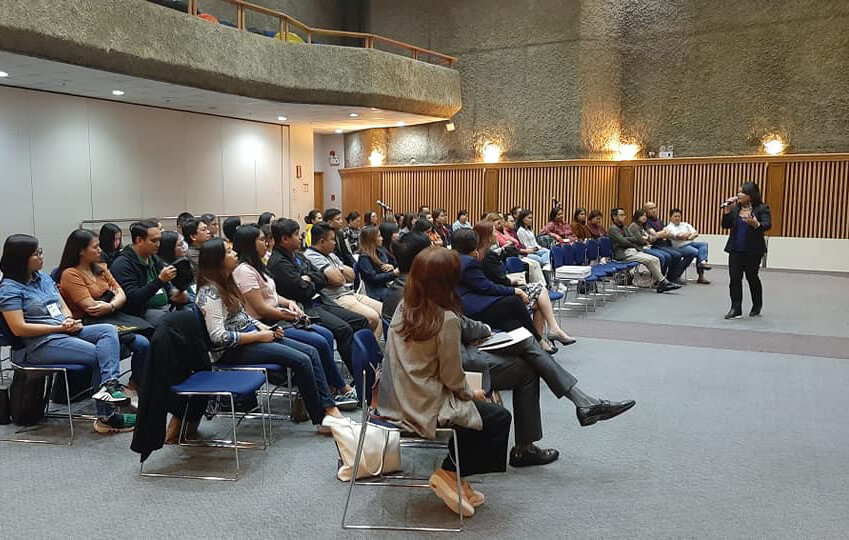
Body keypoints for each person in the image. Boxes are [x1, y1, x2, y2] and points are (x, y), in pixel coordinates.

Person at [383, 233, 635, 468]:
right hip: (440, 374)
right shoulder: (420, 301)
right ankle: (535, 439)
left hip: (434, 367)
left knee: (525, 350)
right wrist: (472, 392)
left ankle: (578, 406)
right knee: (526, 360)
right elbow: (451, 365)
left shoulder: (412, 295)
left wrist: (479, 332)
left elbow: (461, 325)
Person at [377, 246, 512, 517]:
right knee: (497, 416)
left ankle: (457, 478)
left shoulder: (406, 305)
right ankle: (449, 472)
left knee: (482, 411)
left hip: (397, 395)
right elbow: (452, 377)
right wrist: (471, 393)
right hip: (423, 402)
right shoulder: (446, 318)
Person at [195, 238, 343, 431]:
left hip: (251, 336)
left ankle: (329, 408)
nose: (235, 254)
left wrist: (264, 328)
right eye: (229, 252)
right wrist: (259, 336)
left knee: (311, 351)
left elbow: (243, 317)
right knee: (302, 359)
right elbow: (218, 337)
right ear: (218, 260)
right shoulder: (210, 294)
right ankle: (322, 417)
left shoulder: (227, 283)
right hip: (232, 350)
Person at [0, 234, 135, 433]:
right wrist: (59, 328)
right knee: (101, 354)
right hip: (39, 343)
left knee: (107, 331)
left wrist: (68, 320)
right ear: (22, 259)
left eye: (40, 251)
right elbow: (19, 328)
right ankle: (106, 417)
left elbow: (61, 305)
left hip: (63, 331)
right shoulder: (9, 289)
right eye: (36, 254)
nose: (41, 256)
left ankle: (110, 386)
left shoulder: (43, 278)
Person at [231, 225, 357, 406]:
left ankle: (332, 386)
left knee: (326, 334)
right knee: (319, 341)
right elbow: (262, 309)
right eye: (260, 239)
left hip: (279, 317)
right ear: (249, 244)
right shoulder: (244, 271)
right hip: (267, 324)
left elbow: (272, 296)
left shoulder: (258, 266)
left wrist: (288, 303)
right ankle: (338, 388)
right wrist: (291, 315)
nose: (266, 243)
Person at [267, 219, 369, 375]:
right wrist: (313, 278)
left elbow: (319, 276)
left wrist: (310, 277)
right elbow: (304, 290)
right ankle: (357, 376)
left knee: (361, 321)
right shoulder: (279, 262)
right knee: (343, 329)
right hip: (305, 307)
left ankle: (366, 370)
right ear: (284, 239)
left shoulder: (298, 255)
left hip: (319, 301)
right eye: (296, 235)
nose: (300, 237)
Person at [57, 229, 150, 391]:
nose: (100, 250)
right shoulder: (70, 274)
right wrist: (113, 301)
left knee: (145, 340)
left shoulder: (100, 268)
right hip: (86, 324)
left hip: (111, 318)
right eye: (95, 247)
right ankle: (105, 398)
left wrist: (110, 305)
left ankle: (134, 386)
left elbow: (122, 294)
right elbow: (91, 308)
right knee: (135, 344)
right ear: (80, 251)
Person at [475, 222, 575, 348]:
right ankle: (550, 332)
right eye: (495, 232)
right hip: (501, 293)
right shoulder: (488, 255)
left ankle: (542, 341)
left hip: (497, 291)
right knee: (540, 290)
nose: (497, 234)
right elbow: (500, 281)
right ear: (488, 236)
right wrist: (513, 280)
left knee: (539, 298)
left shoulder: (482, 252)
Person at [453, 229, 554, 353]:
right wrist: (514, 291)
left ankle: (533, 349)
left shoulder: (456, 258)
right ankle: (538, 340)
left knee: (511, 322)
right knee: (514, 301)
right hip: (470, 308)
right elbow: (486, 287)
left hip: (466, 304)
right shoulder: (468, 262)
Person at [305, 223, 383, 341]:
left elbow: (352, 275)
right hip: (336, 298)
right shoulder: (312, 256)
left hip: (349, 293)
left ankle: (373, 352)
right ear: (322, 242)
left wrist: (338, 271)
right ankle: (361, 350)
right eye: (332, 240)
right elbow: (338, 280)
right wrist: (340, 273)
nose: (335, 243)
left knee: (383, 310)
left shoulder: (331, 255)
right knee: (372, 317)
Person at [111, 220, 190, 324]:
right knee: (177, 323)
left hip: (165, 307)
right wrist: (160, 281)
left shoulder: (154, 257)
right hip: (141, 313)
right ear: (139, 240)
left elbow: (167, 289)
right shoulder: (122, 264)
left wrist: (175, 294)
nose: (158, 244)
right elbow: (133, 299)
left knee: (192, 314)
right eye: (153, 241)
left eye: (159, 240)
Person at [722, 182, 771, 319]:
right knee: (734, 279)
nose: (738, 195)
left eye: (741, 193)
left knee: (752, 278)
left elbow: (767, 225)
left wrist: (756, 224)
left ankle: (757, 305)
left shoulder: (761, 208)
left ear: (750, 195)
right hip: (735, 249)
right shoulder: (736, 208)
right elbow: (726, 224)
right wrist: (727, 211)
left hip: (753, 250)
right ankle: (735, 308)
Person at [608, 208, 680, 293]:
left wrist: (629, 240)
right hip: (623, 254)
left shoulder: (624, 227)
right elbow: (624, 242)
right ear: (614, 217)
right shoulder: (613, 229)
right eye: (621, 215)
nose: (624, 217)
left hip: (632, 251)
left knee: (655, 259)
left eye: (624, 215)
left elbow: (634, 238)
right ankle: (663, 282)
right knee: (649, 260)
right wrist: (631, 240)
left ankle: (661, 282)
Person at [484, 212, 546, 285]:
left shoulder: (506, 232)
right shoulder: (493, 238)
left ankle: (541, 285)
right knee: (535, 262)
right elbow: (504, 246)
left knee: (543, 255)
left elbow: (515, 242)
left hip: (514, 253)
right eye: (498, 223)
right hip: (512, 256)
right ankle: (539, 285)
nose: (501, 225)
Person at [643, 202, 692, 284]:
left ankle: (672, 277)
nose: (654, 210)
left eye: (655, 208)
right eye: (651, 209)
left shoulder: (659, 221)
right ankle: (661, 279)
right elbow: (655, 235)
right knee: (670, 256)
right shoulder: (646, 222)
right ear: (645, 211)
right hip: (655, 245)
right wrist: (662, 233)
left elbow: (666, 233)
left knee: (682, 254)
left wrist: (661, 233)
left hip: (665, 244)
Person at [665, 208, 711, 284]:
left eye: (679, 216)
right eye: (675, 216)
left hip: (690, 244)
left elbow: (695, 233)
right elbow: (679, 236)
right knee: (698, 252)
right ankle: (701, 274)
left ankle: (702, 263)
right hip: (678, 247)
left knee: (703, 244)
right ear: (670, 217)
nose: (677, 218)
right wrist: (688, 235)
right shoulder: (669, 227)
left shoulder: (685, 224)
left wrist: (687, 237)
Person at [356, 225, 399, 301]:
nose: (382, 239)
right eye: (379, 236)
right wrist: (393, 273)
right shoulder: (364, 258)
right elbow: (373, 279)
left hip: (385, 285)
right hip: (375, 290)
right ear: (371, 239)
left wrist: (391, 268)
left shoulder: (380, 251)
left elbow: (385, 269)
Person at [629, 209, 673, 276]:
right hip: (639, 249)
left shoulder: (644, 226)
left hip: (648, 247)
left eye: (645, 216)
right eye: (642, 216)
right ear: (637, 216)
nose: (644, 217)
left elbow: (653, 238)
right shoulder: (634, 226)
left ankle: (661, 277)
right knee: (661, 257)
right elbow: (640, 240)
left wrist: (648, 238)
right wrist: (648, 238)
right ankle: (659, 278)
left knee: (666, 256)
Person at [158, 230, 196, 300]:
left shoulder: (183, 261)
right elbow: (174, 296)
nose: (184, 246)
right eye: (180, 244)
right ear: (170, 248)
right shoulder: (165, 269)